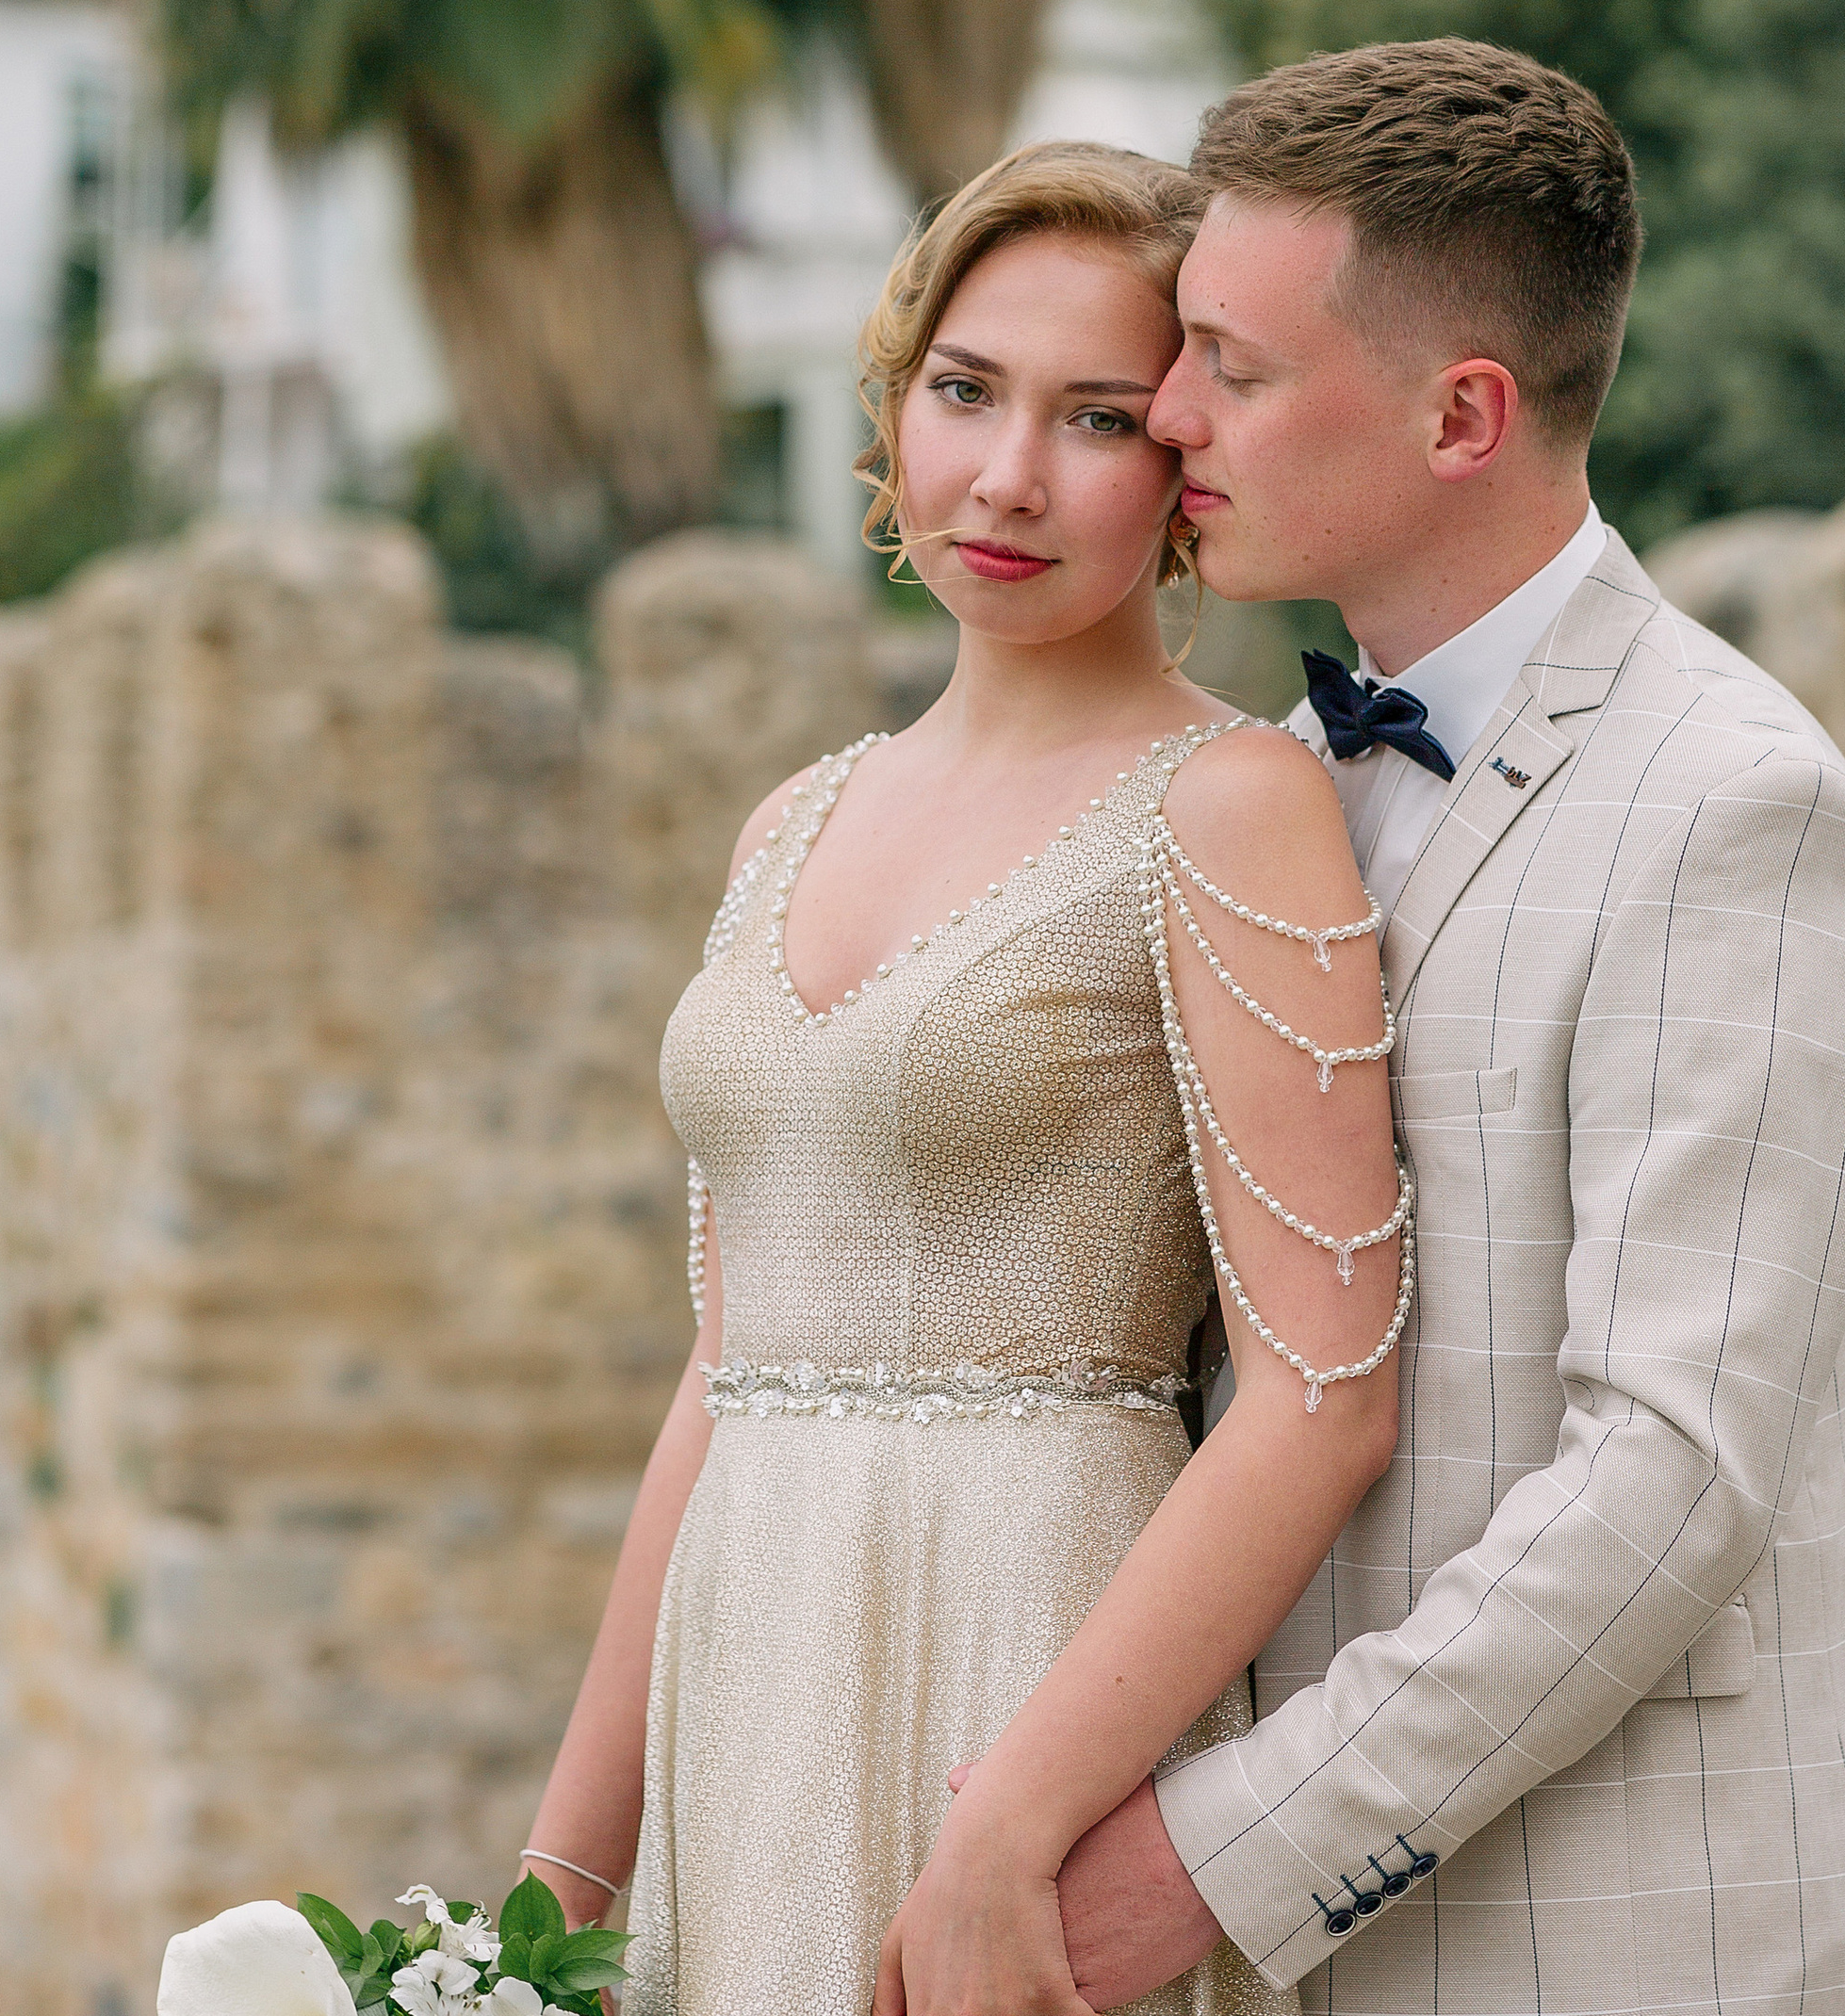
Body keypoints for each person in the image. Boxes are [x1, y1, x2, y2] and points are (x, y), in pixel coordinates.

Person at [1047, 40, 1845, 2016]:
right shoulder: (1266, 782)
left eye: (1232, 368)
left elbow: (1667, 1476)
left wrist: (1214, 1857)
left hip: (1623, 1943)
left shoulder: (1737, 809)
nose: (1167, 415)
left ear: (1462, 415)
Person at [518, 138, 1429, 2016]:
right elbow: (724, 1371)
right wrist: (549, 1895)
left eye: (1096, 419)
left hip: (1022, 1675)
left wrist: (1012, 1824)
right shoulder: (792, 817)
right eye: (963, 391)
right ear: (893, 405)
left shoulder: (1231, 803)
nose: (1007, 477)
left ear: (1183, 463)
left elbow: (1322, 1399)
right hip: (743, 1677)